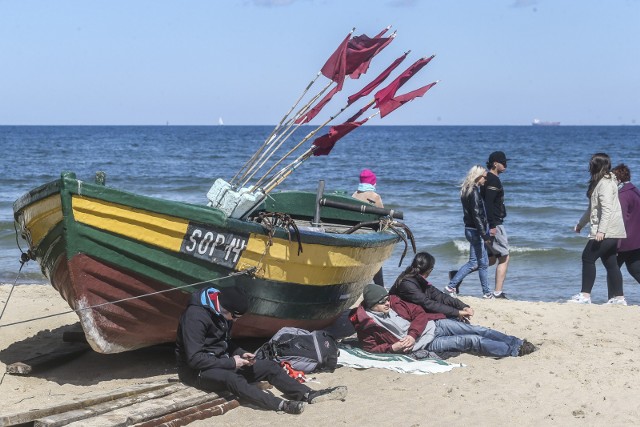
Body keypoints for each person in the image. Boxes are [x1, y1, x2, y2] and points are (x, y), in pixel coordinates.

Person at [175, 286, 347, 415]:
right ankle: (279, 405)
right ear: (225, 308)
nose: (234, 321)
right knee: (232, 378)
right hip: (196, 371)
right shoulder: (195, 317)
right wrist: (231, 363)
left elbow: (225, 343)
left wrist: (240, 353)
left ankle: (308, 394)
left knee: (270, 366)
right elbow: (194, 359)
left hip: (221, 360)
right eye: (234, 317)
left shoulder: (223, 313)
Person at [352, 284, 535, 358]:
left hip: (433, 326)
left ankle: (516, 341)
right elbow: (370, 348)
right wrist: (392, 348)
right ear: (371, 305)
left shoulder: (394, 302)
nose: (387, 303)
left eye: (386, 299)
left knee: (478, 329)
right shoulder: (366, 324)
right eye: (382, 302)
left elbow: (419, 313)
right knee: (470, 340)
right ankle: (513, 351)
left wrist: (412, 334)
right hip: (427, 343)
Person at [569, 153, 627, 305]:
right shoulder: (599, 182)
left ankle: (585, 296)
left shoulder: (606, 184)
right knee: (611, 263)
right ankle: (619, 299)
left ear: (598, 165)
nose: (589, 166)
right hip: (611, 230)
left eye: (591, 163)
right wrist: (581, 224)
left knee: (588, 257)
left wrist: (601, 231)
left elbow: (607, 209)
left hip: (607, 230)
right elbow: (591, 209)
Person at [444, 165, 494, 299]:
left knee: (481, 263)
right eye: (485, 176)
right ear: (478, 176)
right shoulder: (474, 192)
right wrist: (485, 234)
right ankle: (451, 286)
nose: (486, 179)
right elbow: (477, 215)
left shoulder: (467, 190)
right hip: (476, 231)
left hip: (470, 229)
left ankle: (486, 292)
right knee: (477, 263)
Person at [482, 151, 510, 299]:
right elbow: (488, 204)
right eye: (503, 162)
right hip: (495, 223)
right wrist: (492, 225)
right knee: (504, 256)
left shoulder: (488, 178)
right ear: (495, 164)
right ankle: (498, 292)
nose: (506, 164)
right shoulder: (493, 180)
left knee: (491, 259)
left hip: (490, 223)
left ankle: (457, 275)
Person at [352, 168, 384, 286]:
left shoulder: (355, 194)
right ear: (372, 182)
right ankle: (380, 286)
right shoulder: (375, 196)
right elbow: (383, 214)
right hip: (370, 233)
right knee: (376, 261)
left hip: (355, 230)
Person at [611, 164, 640, 284]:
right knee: (635, 270)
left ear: (618, 179)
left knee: (612, 269)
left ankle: (615, 298)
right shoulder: (635, 191)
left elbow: (621, 219)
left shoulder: (622, 195)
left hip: (624, 241)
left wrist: (616, 244)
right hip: (636, 241)